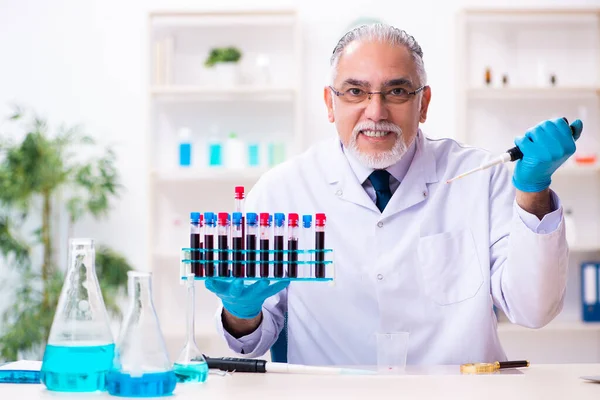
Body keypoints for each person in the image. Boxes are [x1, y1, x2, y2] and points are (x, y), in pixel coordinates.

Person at [205, 23, 583, 366]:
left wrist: (534, 193)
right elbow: (249, 343)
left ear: (424, 103)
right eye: (355, 91)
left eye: (397, 91)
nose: (376, 111)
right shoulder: (282, 191)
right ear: (329, 104)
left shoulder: (480, 179)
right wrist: (241, 312)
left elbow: (534, 310)